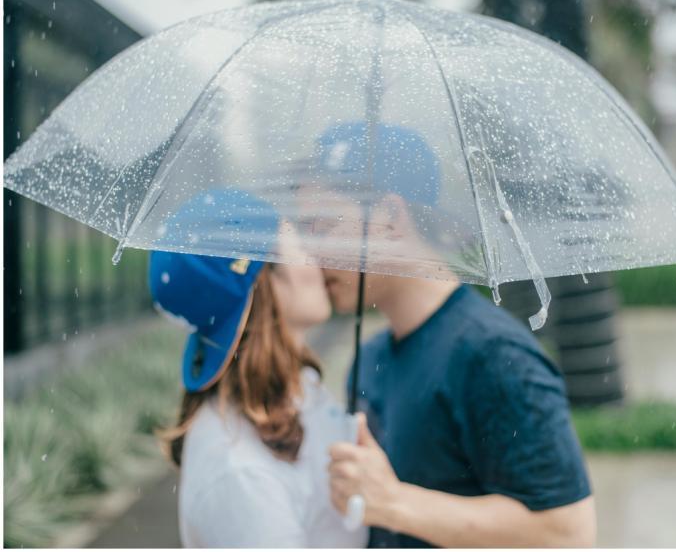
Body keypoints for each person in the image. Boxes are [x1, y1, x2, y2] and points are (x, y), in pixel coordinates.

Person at [310, 123, 597, 547]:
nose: (312, 254)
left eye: (322, 226)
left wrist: (395, 503)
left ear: (389, 217)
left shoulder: (493, 355)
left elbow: (568, 533)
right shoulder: (369, 360)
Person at [149, 189, 367, 548]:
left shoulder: (298, 386)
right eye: (299, 242)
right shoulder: (239, 473)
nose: (316, 256)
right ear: (263, 284)